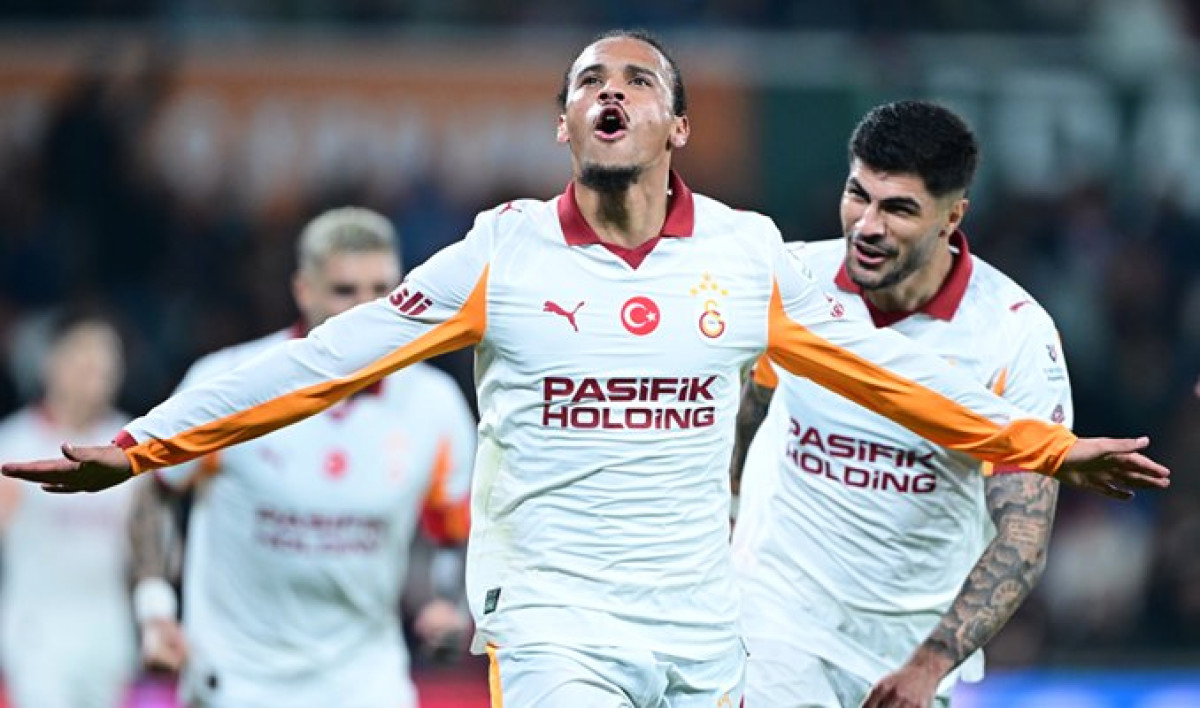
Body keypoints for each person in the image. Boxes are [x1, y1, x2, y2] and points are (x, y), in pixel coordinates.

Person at [2, 30, 1169, 707]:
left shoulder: (744, 258)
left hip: (702, 632)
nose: (610, 91)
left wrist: (1047, 448)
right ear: (564, 127)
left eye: (639, 81)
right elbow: (316, 365)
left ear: (678, 129)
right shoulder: (498, 257)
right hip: (557, 624)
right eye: (587, 83)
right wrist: (147, 444)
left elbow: (895, 381)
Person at [728, 100, 1077, 708]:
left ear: (952, 217)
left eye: (898, 209)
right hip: (773, 619)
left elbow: (1023, 535)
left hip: (911, 652)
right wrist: (725, 511)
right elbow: (747, 409)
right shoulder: (794, 282)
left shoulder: (1014, 334)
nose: (867, 225)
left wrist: (929, 665)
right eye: (857, 195)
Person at [127, 207, 477, 707]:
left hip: (366, 683)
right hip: (237, 682)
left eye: (383, 290)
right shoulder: (228, 384)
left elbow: (452, 530)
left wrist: (447, 603)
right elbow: (156, 490)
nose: (367, 309)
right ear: (303, 290)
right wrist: (155, 610)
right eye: (344, 291)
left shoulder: (433, 405)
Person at [0, 313, 138, 708]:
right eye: (84, 361)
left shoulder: (131, 447)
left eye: (106, 364)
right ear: (52, 364)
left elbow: (147, 543)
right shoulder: (14, 444)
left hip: (108, 631)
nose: (96, 375)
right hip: (36, 633)